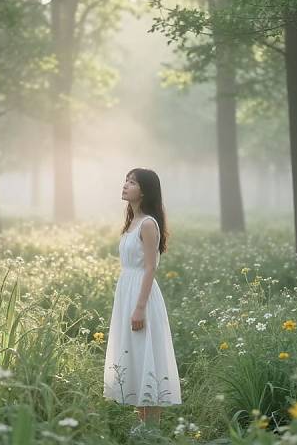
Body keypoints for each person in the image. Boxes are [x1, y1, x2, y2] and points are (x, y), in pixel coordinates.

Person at [103, 167, 182, 429]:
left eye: (132, 182)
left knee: (148, 358)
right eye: (125, 180)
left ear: (144, 191)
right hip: (127, 290)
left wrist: (139, 308)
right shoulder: (132, 222)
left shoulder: (148, 223)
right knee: (135, 357)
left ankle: (152, 429)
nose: (125, 185)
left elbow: (150, 267)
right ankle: (143, 428)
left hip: (141, 296)